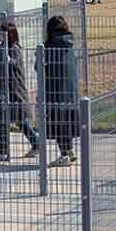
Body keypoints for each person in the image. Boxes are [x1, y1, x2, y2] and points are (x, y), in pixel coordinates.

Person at [0, 20, 39, 160]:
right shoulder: (1, 49)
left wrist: (9, 60)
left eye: (2, 32)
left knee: (19, 120)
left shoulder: (15, 48)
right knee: (6, 120)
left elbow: (15, 63)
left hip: (15, 90)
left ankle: (34, 143)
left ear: (8, 34)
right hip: (6, 91)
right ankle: (3, 147)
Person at [40, 16, 79, 167]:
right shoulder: (70, 44)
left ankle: (65, 155)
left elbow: (39, 68)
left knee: (58, 124)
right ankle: (69, 151)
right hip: (71, 92)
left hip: (55, 91)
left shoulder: (49, 47)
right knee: (66, 122)